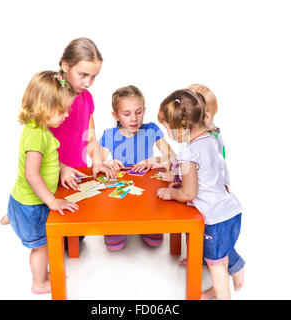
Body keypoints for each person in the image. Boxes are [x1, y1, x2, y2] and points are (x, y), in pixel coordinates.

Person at [0, 37, 115, 225]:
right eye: (83, 75)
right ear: (65, 65)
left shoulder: (87, 98)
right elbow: (36, 147)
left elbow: (90, 136)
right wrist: (61, 168)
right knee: (44, 221)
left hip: (75, 172)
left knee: (77, 234)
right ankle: (16, 214)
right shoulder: (50, 99)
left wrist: (97, 162)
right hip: (49, 173)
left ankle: (18, 215)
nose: (88, 82)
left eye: (94, 76)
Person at [156, 89, 243, 300]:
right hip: (232, 210)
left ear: (180, 128)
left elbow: (189, 192)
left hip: (215, 218)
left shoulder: (188, 152)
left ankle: (222, 293)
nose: (165, 131)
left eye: (166, 127)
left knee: (216, 266)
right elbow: (207, 172)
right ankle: (217, 289)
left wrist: (171, 193)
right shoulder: (211, 138)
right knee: (219, 260)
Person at [7, 71, 79, 294]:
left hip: (23, 202)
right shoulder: (37, 135)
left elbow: (49, 161)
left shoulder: (38, 129)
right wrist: (52, 201)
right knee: (41, 246)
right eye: (62, 110)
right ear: (43, 106)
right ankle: (39, 283)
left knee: (40, 241)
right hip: (32, 206)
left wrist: (64, 168)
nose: (66, 115)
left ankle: (12, 216)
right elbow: (31, 174)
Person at [99, 85, 174, 251]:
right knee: (114, 245)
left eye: (138, 112)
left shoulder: (151, 129)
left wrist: (152, 160)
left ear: (144, 110)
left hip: (147, 193)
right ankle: (117, 224)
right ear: (115, 115)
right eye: (127, 114)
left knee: (155, 242)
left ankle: (145, 222)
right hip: (119, 195)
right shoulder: (109, 135)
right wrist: (107, 163)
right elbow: (95, 167)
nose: (134, 118)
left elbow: (173, 157)